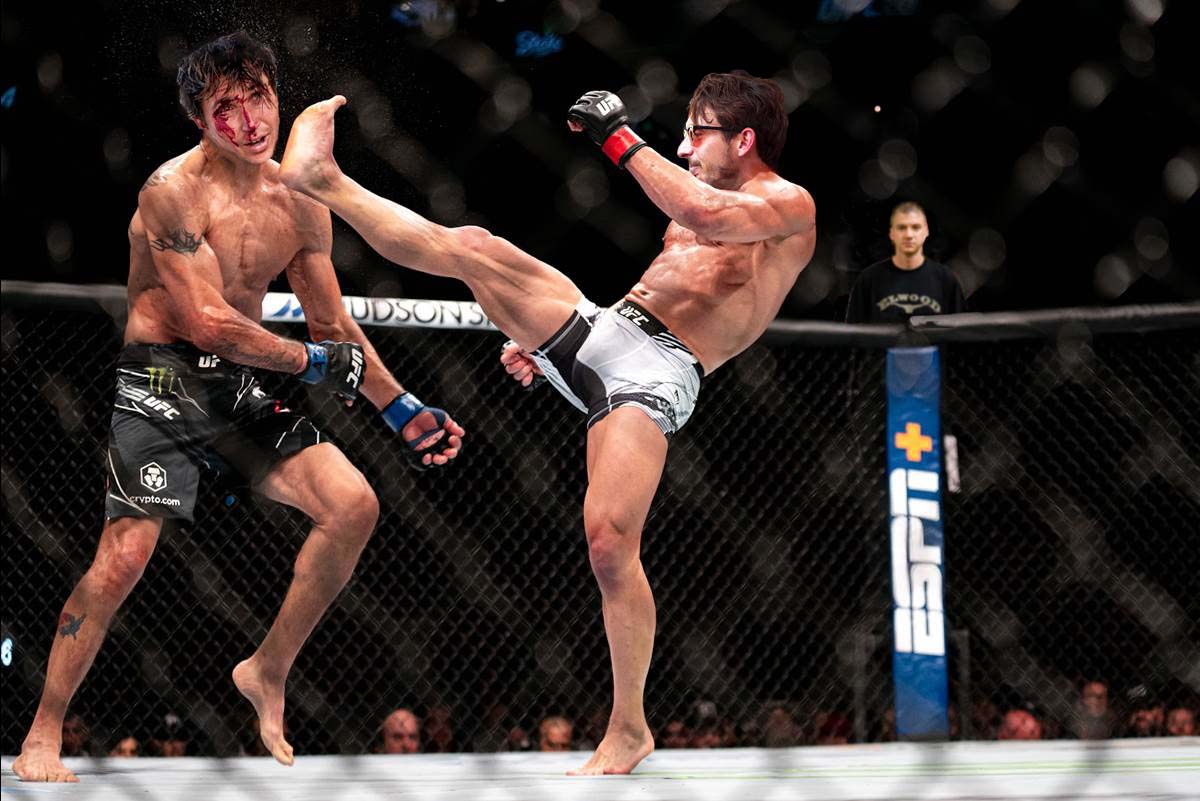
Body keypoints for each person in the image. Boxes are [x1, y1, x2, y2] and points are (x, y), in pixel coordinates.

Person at [278, 70, 815, 774]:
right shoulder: (693, 197)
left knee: (609, 541)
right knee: (472, 246)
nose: (684, 147)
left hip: (658, 372)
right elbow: (669, 276)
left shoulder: (787, 204)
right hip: (609, 326)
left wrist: (619, 137)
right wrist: (550, 344)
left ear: (743, 140)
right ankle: (323, 180)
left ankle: (629, 727)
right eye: (683, 134)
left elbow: (708, 215)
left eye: (697, 132)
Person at [11, 31, 463, 784]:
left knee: (353, 504)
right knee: (122, 558)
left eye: (259, 97)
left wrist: (401, 409)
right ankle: (43, 732)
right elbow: (205, 323)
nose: (250, 120)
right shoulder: (171, 192)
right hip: (161, 379)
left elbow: (332, 326)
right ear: (198, 118)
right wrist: (313, 364)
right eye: (227, 106)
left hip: (237, 382)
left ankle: (267, 669)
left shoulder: (300, 198)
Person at [844, 201, 966, 323]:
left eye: (916, 227)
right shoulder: (868, 280)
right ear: (892, 233)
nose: (909, 235)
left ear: (926, 231)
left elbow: (961, 330)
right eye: (901, 227)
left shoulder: (946, 280)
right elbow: (854, 331)